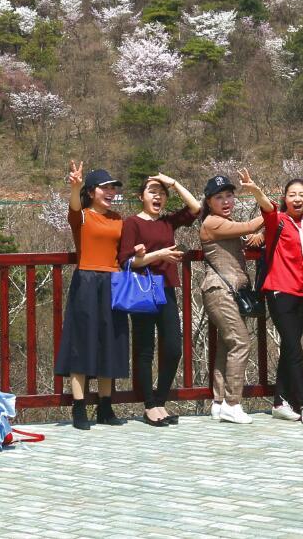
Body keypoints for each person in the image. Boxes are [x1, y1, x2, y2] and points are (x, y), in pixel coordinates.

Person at [117, 174, 198, 426]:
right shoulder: (132, 223)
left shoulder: (167, 222)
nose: (157, 196)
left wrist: (173, 183)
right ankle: (150, 405)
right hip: (141, 289)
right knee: (144, 349)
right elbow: (128, 261)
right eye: (152, 191)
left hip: (166, 289)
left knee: (173, 347)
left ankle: (161, 400)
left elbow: (196, 208)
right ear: (141, 196)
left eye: (162, 193)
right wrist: (159, 254)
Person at [56, 163, 132, 429]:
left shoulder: (118, 218)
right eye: (105, 188)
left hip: (113, 281)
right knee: (81, 341)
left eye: (113, 188)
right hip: (87, 280)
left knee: (109, 341)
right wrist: (75, 187)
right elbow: (74, 208)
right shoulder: (82, 216)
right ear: (91, 192)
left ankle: (105, 406)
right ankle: (79, 407)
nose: (111, 192)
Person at [243, 170, 303, 425]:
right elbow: (267, 209)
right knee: (294, 348)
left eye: (302, 195)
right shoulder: (279, 221)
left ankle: (279, 402)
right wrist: (256, 190)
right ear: (285, 198)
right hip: (279, 290)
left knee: (290, 346)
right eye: (292, 194)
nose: (297, 199)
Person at [199, 173, 266, 424]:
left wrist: (259, 237)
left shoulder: (223, 223)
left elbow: (246, 235)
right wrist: (274, 212)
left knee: (227, 346)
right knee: (241, 343)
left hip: (227, 292)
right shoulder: (212, 223)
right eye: (219, 197)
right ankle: (232, 403)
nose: (226, 201)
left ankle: (219, 403)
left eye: (229, 196)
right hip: (220, 291)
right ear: (209, 202)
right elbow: (248, 227)